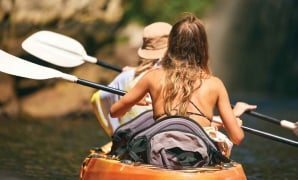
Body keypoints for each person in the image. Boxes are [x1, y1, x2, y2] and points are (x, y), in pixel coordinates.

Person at [110, 14, 249, 155]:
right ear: (203, 47)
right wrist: (235, 124)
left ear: (171, 44)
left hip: (160, 154)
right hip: (198, 159)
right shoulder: (215, 84)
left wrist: (132, 101)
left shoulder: (152, 77)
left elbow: (114, 112)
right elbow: (237, 138)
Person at [91, 22, 172, 144]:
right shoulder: (182, 76)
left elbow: (99, 97)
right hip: (168, 138)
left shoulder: (126, 77)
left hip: (134, 140)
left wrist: (128, 75)